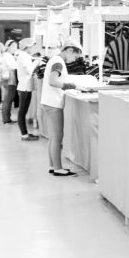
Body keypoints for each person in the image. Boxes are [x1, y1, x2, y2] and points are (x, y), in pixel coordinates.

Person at [40, 45, 82, 177]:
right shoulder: (58, 62)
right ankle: (58, 168)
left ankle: (53, 166)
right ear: (70, 50)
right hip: (53, 103)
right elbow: (53, 81)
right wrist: (70, 85)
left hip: (49, 102)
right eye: (75, 56)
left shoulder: (55, 60)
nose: (74, 60)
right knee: (57, 137)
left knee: (53, 137)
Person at [15, 38, 41, 141]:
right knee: (22, 112)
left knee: (23, 112)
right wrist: (37, 62)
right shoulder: (23, 56)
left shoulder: (24, 55)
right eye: (32, 47)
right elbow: (29, 70)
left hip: (25, 87)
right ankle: (24, 135)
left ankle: (25, 133)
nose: (33, 49)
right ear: (27, 47)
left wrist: (35, 60)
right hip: (24, 88)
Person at [0, 40, 20, 125]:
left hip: (8, 79)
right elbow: (13, 66)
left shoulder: (8, 55)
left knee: (8, 99)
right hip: (9, 79)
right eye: (13, 46)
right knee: (8, 100)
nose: (15, 48)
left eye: (16, 47)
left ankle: (7, 118)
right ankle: (6, 119)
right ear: (8, 47)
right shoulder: (7, 55)